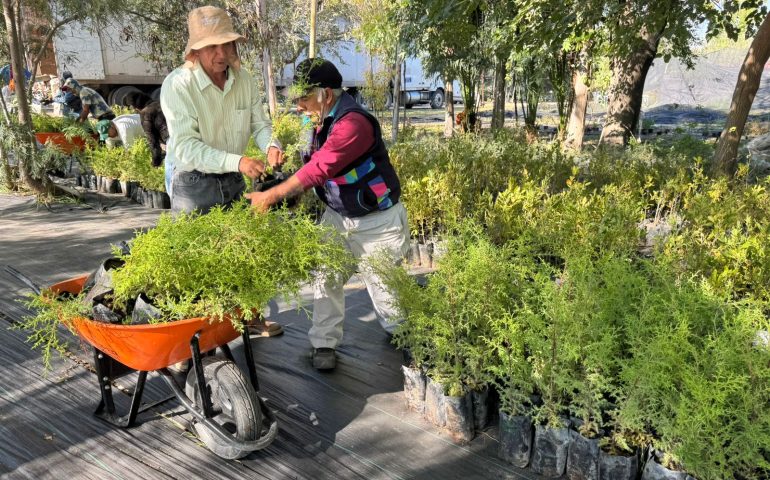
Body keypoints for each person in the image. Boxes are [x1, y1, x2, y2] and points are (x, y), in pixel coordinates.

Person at [246, 59, 409, 370]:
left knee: (389, 299)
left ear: (326, 94)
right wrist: (288, 183)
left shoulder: (354, 124)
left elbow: (322, 167)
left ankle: (406, 337)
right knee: (325, 277)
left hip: (377, 222)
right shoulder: (317, 118)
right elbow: (312, 164)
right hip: (338, 216)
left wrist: (272, 195)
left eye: (303, 98)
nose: (298, 107)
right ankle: (324, 343)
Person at [160, 5, 283, 337]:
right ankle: (194, 335)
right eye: (210, 46)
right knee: (196, 259)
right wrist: (239, 162)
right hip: (191, 180)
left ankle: (247, 315)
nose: (220, 53)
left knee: (241, 250)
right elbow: (185, 147)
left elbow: (260, 124)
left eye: (226, 45)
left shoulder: (243, 79)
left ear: (234, 46)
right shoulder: (178, 85)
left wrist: (272, 143)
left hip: (231, 174)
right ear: (195, 50)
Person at [125, 91, 169, 167]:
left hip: (171, 143)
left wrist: (156, 162)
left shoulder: (146, 113)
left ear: (136, 107)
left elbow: (152, 140)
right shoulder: (160, 103)